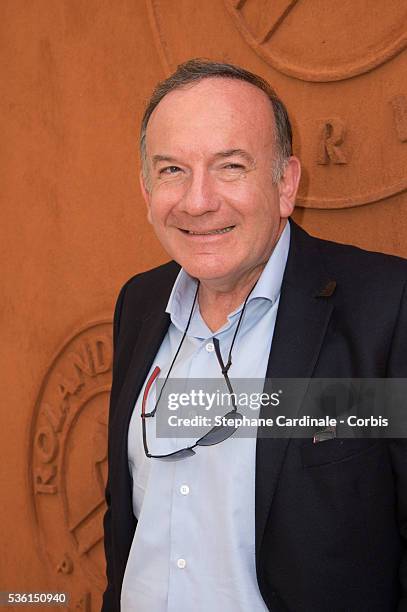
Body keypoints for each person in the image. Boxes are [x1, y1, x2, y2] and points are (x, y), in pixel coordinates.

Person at [102, 59, 407, 612]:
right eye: (172, 170)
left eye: (230, 166)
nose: (198, 201)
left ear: (286, 183)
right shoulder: (139, 304)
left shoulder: (387, 309)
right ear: (145, 190)